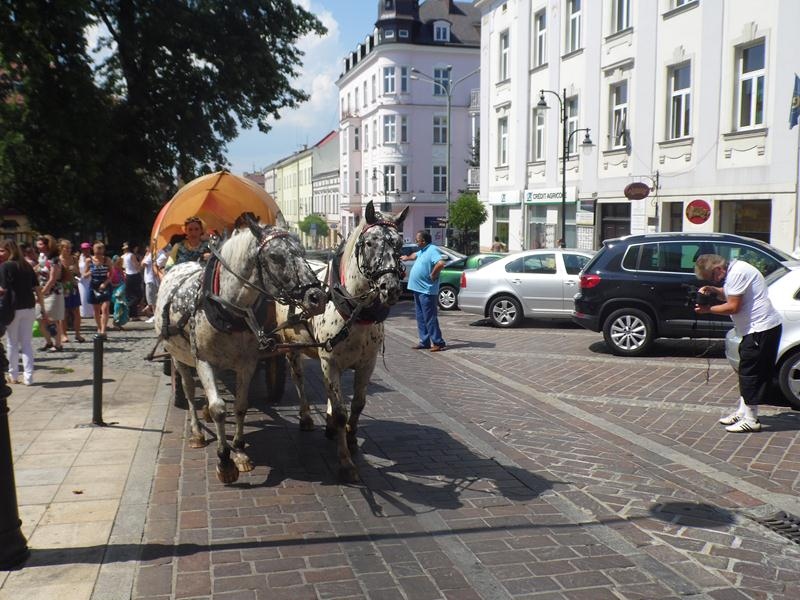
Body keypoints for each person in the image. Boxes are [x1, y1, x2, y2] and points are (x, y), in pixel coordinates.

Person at [694, 254, 782, 433]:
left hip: (760, 329)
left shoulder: (737, 273)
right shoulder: (736, 269)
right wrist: (714, 289)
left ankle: (751, 419)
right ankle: (743, 412)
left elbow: (733, 306)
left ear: (718, 269)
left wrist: (707, 310)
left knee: (750, 373)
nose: (713, 280)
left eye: (711, 277)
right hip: (754, 329)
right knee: (745, 370)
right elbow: (730, 293)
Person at [0, 240, 44, 385]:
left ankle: (13, 376)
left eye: (2, 250)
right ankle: (29, 377)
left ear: (9, 251)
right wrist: (42, 308)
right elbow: (37, 288)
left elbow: (3, 288)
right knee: (26, 343)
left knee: (12, 343)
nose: (0, 253)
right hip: (29, 307)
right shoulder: (26, 265)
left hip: (13, 308)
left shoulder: (5, 266)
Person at [400, 230, 448, 352]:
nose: (416, 242)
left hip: (427, 291)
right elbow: (414, 255)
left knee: (430, 317)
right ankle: (424, 341)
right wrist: (406, 257)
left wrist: (433, 274)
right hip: (418, 289)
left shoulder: (432, 250)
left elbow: (440, 263)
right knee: (421, 317)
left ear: (423, 241)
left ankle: (438, 342)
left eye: (417, 240)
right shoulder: (422, 250)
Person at [34, 234, 65, 352]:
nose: (38, 246)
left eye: (41, 244)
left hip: (53, 292)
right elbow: (37, 269)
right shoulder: (42, 257)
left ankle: (58, 344)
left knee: (51, 318)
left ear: (48, 245)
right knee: (39, 317)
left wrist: (42, 293)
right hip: (41, 290)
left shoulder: (55, 259)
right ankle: (48, 342)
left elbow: (52, 279)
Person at [83, 241, 113, 339]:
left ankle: (103, 330)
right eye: (97, 250)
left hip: (105, 284)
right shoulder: (89, 260)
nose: (99, 253)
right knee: (96, 309)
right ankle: (99, 328)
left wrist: (105, 283)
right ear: (93, 250)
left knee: (105, 308)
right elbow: (84, 275)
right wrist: (90, 272)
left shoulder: (107, 260)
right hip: (94, 285)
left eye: (101, 250)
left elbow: (112, 274)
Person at [58, 239, 84, 343]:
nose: (69, 250)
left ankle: (77, 334)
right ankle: (63, 334)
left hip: (73, 287)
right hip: (62, 287)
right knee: (63, 312)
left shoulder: (74, 259)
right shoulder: (58, 259)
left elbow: (79, 274)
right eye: (67, 248)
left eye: (70, 248)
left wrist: (76, 270)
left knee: (76, 311)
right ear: (61, 248)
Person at [121, 242, 143, 318]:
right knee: (138, 295)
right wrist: (141, 262)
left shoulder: (123, 256)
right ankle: (132, 313)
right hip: (134, 275)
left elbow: (123, 266)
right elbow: (137, 267)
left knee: (130, 295)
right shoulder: (131, 255)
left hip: (127, 275)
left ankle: (131, 314)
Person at [77, 242, 94, 319]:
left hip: (89, 279)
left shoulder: (91, 258)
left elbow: (91, 269)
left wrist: (87, 273)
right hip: (80, 279)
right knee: (82, 296)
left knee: (88, 295)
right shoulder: (79, 258)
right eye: (84, 249)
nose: (86, 251)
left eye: (87, 249)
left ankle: (90, 313)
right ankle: (83, 313)